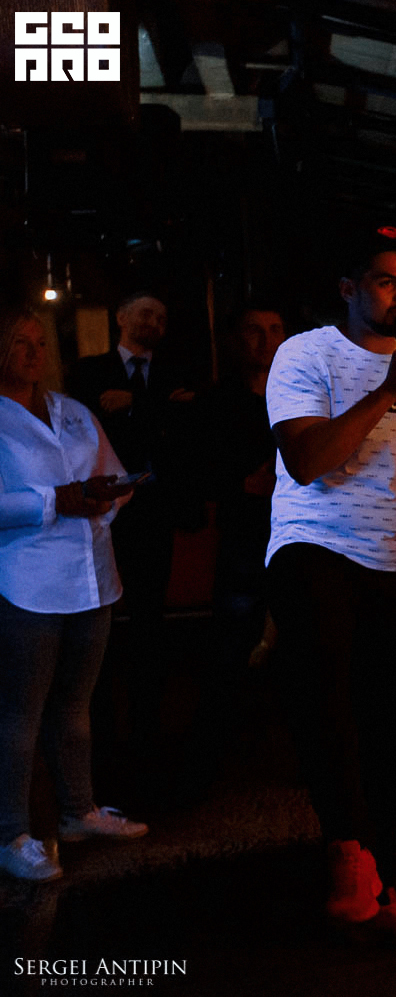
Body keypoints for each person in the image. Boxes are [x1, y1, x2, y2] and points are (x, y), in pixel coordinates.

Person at [265, 227, 396, 951]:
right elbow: (307, 460)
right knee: (328, 699)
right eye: (385, 281)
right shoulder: (305, 354)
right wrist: (386, 391)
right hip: (315, 545)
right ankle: (347, 853)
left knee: (392, 728)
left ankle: (384, 886)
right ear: (348, 289)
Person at [0, 308, 147, 882]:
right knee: (19, 714)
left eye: (39, 343)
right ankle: (11, 833)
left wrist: (108, 496)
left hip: (92, 576)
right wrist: (53, 500)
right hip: (28, 582)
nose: (33, 353)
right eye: (19, 342)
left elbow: (114, 475)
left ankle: (78, 811)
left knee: (75, 706)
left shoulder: (72, 411)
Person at [66, 290, 198, 775]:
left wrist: (138, 402)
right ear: (121, 317)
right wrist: (160, 408)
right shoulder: (90, 371)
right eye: (145, 313)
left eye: (161, 317)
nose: (154, 323)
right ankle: (98, 729)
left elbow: (189, 425)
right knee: (98, 615)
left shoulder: (174, 375)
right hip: (104, 510)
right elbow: (83, 424)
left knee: (149, 616)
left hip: (155, 509)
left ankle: (147, 726)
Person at [182, 301, 287, 793]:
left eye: (274, 330)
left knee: (299, 640)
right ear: (236, 339)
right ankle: (217, 756)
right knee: (233, 642)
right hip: (245, 533)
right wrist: (242, 483)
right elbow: (195, 469)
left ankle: (287, 748)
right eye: (254, 330)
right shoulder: (217, 401)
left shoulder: (301, 394)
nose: (265, 341)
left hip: (298, 534)